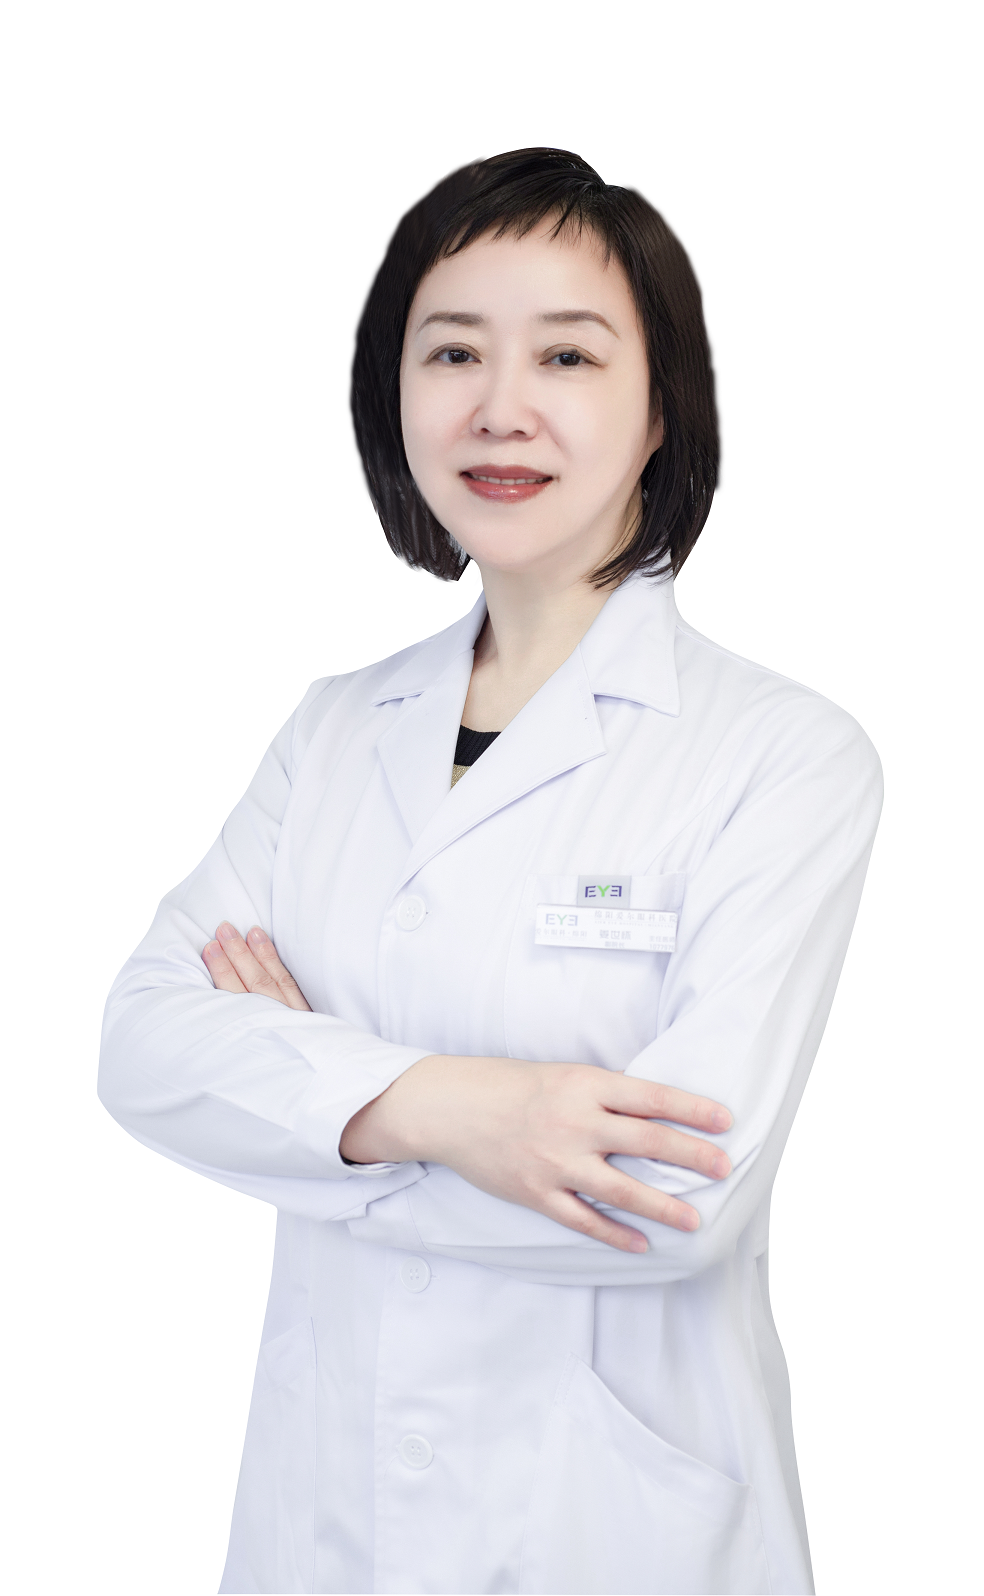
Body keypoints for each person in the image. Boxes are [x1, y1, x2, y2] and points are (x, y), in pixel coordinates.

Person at [99, 147, 883, 1596]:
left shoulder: (781, 755)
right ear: (391, 394)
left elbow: (670, 1203)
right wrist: (464, 1111)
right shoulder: (335, 731)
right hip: (326, 1524)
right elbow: (143, 1046)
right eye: (452, 350)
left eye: (567, 355)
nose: (499, 407)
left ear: (662, 407)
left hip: (613, 1534)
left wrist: (305, 1103)